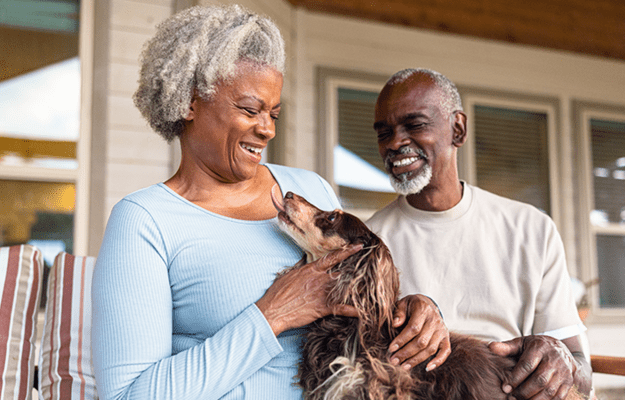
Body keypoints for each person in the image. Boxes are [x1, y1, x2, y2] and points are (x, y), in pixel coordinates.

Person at [91, 6, 448, 400]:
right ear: (190, 102)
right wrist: (273, 314)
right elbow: (127, 395)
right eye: (249, 109)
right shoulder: (145, 221)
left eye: (274, 113)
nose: (266, 129)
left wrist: (416, 310)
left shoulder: (308, 190)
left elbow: (361, 314)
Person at [366, 68, 593, 399]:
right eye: (383, 132)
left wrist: (562, 361)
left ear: (458, 129)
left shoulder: (531, 228)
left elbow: (582, 373)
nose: (395, 142)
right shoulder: (370, 243)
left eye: (414, 125)